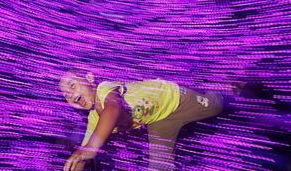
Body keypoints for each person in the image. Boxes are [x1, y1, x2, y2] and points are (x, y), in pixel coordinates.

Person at [60, 68, 226, 171]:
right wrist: (78, 159)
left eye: (72, 86)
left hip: (175, 99)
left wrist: (90, 147)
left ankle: (223, 87)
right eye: (66, 96)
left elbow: (113, 109)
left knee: (217, 105)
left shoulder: (104, 89)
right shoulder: (94, 120)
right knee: (159, 167)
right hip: (158, 122)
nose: (71, 95)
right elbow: (82, 155)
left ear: (89, 78)